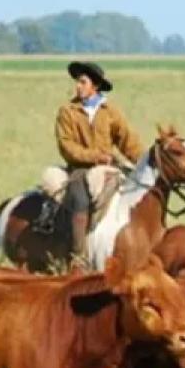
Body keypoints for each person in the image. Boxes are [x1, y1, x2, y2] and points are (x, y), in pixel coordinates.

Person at [55, 61, 144, 268]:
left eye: (82, 82)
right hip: (80, 169)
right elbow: (66, 146)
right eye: (78, 82)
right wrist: (95, 157)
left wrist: (143, 164)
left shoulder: (111, 111)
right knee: (79, 195)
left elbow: (127, 141)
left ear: (94, 86)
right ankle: (78, 257)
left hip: (109, 168)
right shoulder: (67, 111)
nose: (77, 86)